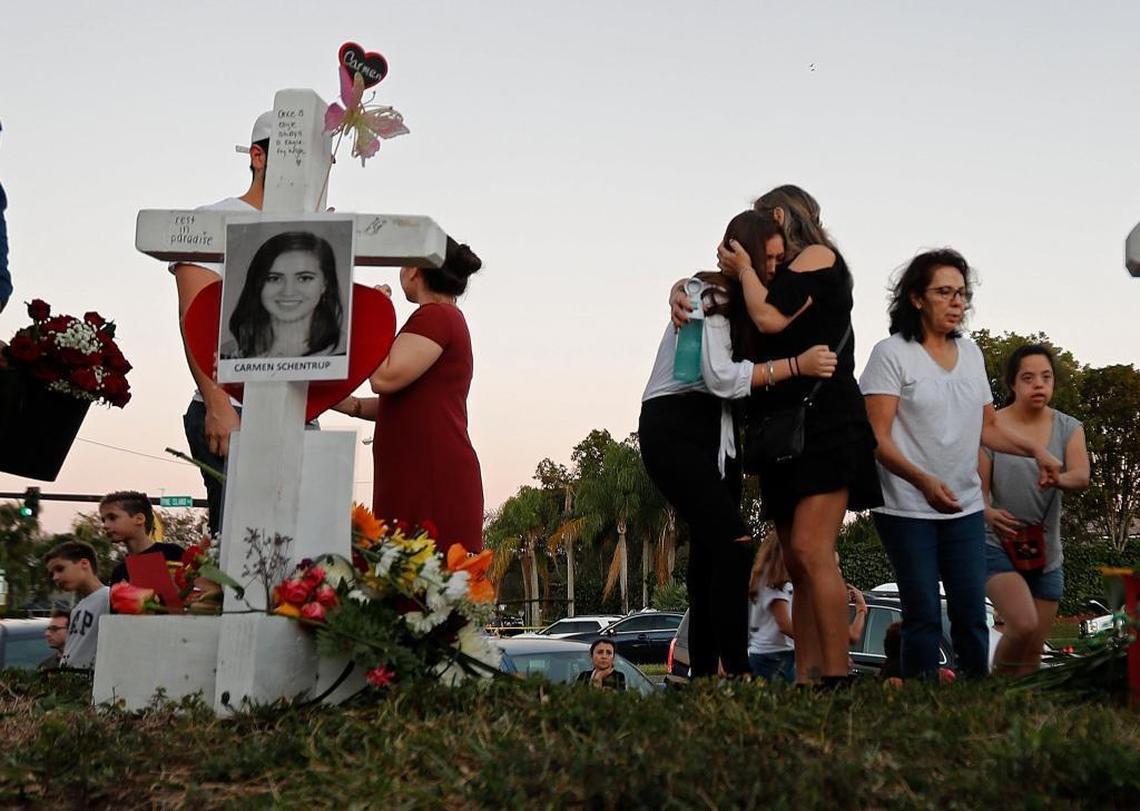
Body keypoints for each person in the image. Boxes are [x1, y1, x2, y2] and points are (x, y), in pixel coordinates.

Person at [642, 210, 838, 679]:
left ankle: (703, 674)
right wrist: (797, 365)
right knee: (733, 544)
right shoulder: (704, 294)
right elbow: (721, 377)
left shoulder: (759, 306)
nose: (775, 267)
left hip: (721, 434)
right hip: (676, 426)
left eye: (779, 258)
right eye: (767, 258)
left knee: (712, 552)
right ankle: (738, 667)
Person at [709, 185, 882, 687]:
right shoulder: (766, 277)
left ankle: (836, 675)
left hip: (824, 424)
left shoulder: (819, 256)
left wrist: (743, 271)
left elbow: (770, 317)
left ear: (780, 215)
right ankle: (807, 679)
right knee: (797, 565)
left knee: (810, 549)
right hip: (777, 434)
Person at [860, 249, 1062, 680]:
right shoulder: (891, 353)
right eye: (945, 292)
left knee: (971, 614)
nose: (957, 302)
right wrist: (924, 480)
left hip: (965, 509)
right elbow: (875, 437)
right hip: (906, 508)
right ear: (916, 298)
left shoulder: (971, 354)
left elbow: (987, 428)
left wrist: (1037, 451)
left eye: (962, 294)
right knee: (924, 615)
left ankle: (976, 704)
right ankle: (923, 702)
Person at [342, 237, 485, 552]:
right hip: (420, 475)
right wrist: (347, 405)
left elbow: (384, 377)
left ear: (414, 271)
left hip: (429, 479)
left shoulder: (435, 316)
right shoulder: (444, 317)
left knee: (418, 585)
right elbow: (411, 401)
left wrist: (372, 316)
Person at [981, 345, 1089, 674]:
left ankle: (1020, 715)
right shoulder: (992, 427)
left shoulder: (1069, 427)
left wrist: (1057, 479)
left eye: (1046, 377)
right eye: (1028, 378)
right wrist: (988, 513)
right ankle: (994, 691)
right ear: (1012, 383)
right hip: (996, 544)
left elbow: (1081, 476)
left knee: (1032, 655)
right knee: (1023, 625)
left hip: (1047, 552)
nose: (1038, 384)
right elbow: (977, 489)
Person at [222, 231, 344, 359]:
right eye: (274, 278)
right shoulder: (226, 354)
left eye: (304, 278)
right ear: (257, 284)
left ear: (325, 284)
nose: (288, 292)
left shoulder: (346, 353)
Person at [44, 541, 109, 669]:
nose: (55, 577)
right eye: (52, 573)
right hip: (71, 682)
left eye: (60, 569)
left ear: (84, 564)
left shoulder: (109, 597)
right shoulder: (77, 608)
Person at [99, 491, 185, 586]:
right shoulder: (119, 572)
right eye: (103, 520)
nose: (105, 525)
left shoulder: (172, 553)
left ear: (139, 519)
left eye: (112, 518)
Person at [747, 533, 795, 682]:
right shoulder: (773, 584)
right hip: (772, 657)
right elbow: (785, 625)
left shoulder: (766, 581)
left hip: (769, 654)